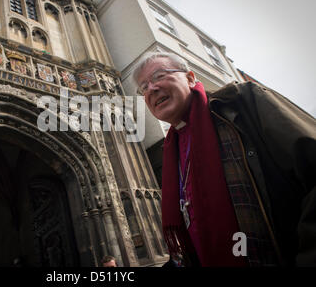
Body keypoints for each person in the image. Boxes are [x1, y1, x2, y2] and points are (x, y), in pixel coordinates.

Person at [132, 51, 316, 267]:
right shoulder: (172, 149)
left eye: (159, 76)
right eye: (144, 87)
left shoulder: (241, 103)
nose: (151, 89)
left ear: (190, 78)